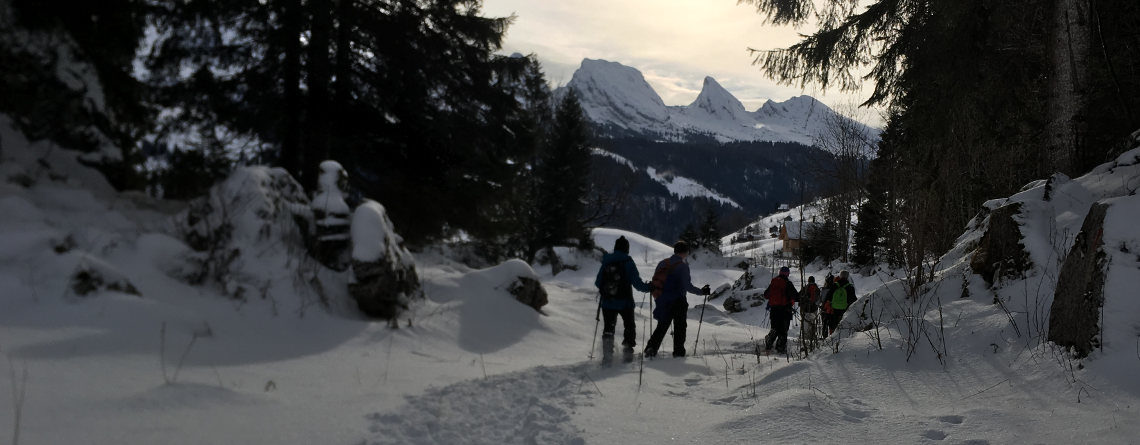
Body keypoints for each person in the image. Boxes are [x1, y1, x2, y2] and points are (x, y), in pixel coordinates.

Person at [644, 241, 710, 358]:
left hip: (662, 300)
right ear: (685, 252)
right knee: (680, 327)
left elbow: (657, 282)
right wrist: (702, 292)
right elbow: (687, 286)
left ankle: (651, 349)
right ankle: (678, 353)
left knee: (662, 326)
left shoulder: (662, 263)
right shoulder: (682, 267)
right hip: (678, 301)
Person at [594, 236, 651, 362]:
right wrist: (649, 287)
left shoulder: (606, 261)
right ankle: (627, 354)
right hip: (625, 302)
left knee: (609, 328)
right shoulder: (627, 262)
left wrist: (609, 290)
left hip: (608, 302)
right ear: (627, 249)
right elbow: (637, 284)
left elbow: (598, 282)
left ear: (615, 248)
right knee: (629, 327)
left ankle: (607, 356)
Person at [763, 266, 799, 354]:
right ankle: (780, 348)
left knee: (774, 328)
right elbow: (796, 296)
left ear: (780, 272)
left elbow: (766, 295)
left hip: (774, 310)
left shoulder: (774, 282)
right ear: (787, 273)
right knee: (783, 330)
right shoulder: (788, 283)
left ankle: (769, 342)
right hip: (785, 311)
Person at [825, 270, 858, 336]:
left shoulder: (835, 285)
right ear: (847, 277)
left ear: (840, 276)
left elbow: (828, 297)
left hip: (834, 309)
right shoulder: (850, 287)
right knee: (842, 324)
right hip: (845, 309)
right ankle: (842, 338)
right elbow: (853, 299)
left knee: (833, 325)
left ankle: (832, 339)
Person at [799, 276, 821, 344]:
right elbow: (819, 299)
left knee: (805, 323)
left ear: (808, 281)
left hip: (805, 309)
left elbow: (799, 296)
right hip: (814, 309)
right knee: (813, 322)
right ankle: (812, 336)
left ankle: (805, 337)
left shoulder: (805, 288)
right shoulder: (817, 289)